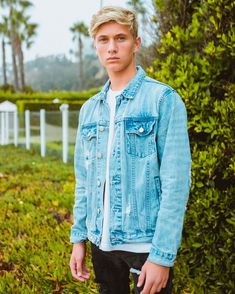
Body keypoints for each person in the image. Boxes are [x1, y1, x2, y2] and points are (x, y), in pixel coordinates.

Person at [69, 5, 191, 294]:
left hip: (145, 248)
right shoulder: (89, 110)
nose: (112, 47)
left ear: (136, 43)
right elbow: (84, 182)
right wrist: (79, 239)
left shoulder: (164, 100)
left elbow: (176, 184)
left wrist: (161, 256)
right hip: (102, 245)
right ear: (96, 45)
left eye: (120, 38)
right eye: (104, 39)